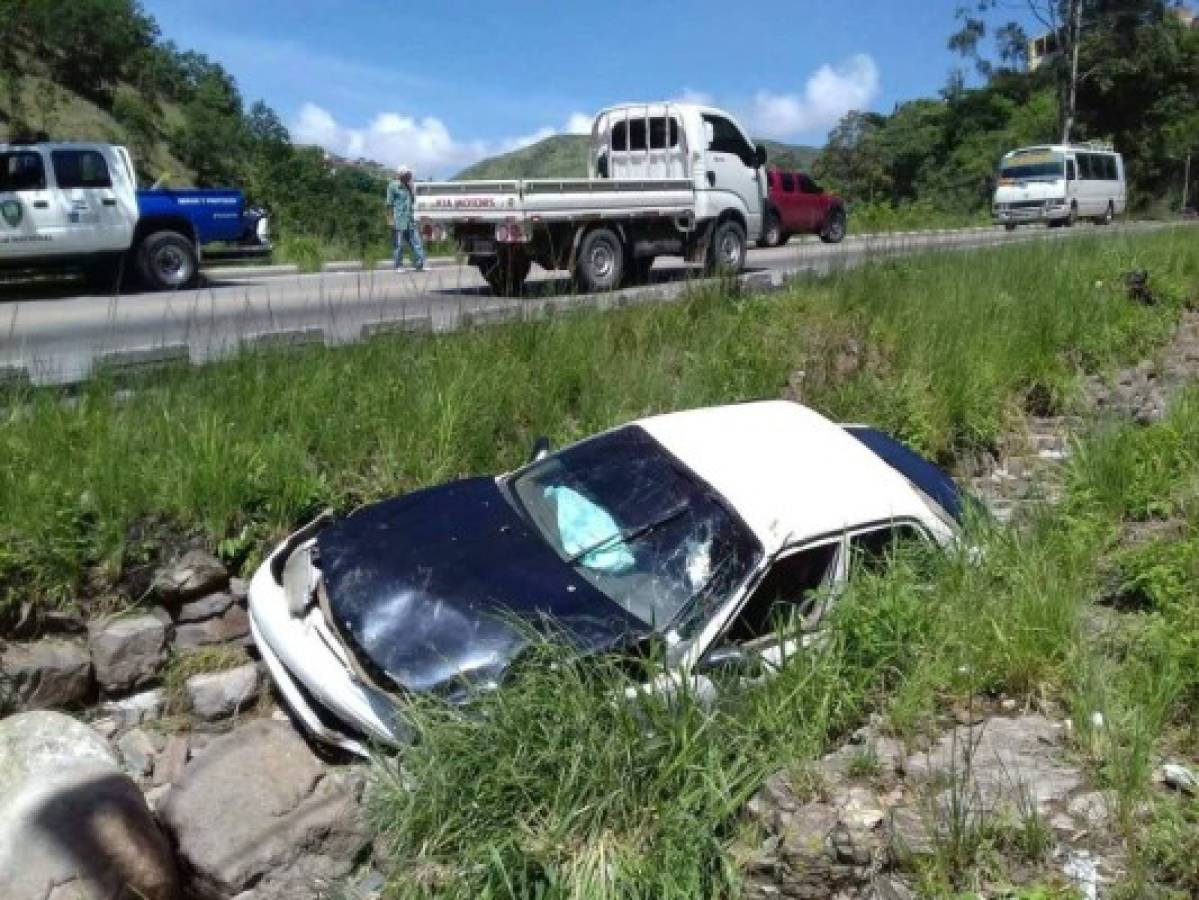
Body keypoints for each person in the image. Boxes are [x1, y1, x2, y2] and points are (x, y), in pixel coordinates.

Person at [386, 164, 425, 272]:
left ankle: (419, 264)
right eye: (408, 174)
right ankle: (398, 265)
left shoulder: (409, 186)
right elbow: (389, 204)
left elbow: (413, 201)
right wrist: (389, 219)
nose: (409, 176)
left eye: (409, 174)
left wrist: (412, 189)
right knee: (398, 244)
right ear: (401, 175)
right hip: (398, 219)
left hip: (409, 219)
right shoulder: (393, 186)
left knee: (416, 242)